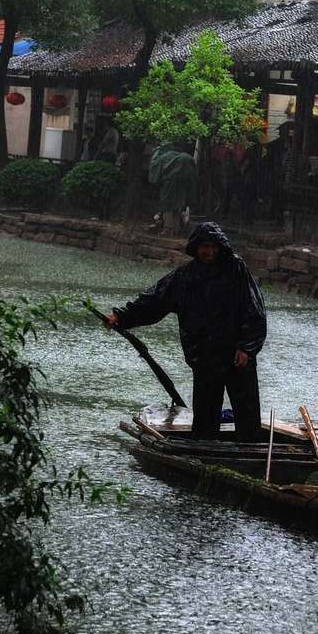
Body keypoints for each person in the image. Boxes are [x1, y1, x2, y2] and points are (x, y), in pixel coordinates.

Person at [105, 222, 267, 441]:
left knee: (247, 415)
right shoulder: (185, 277)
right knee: (205, 418)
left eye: (212, 246)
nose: (208, 252)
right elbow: (154, 301)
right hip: (205, 356)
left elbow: (254, 309)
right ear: (196, 248)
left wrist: (247, 347)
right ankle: (203, 453)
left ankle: (250, 452)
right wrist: (122, 317)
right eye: (203, 247)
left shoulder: (235, 270)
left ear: (219, 247)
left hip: (237, 356)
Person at [149, 142, 198, 234]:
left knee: (168, 207)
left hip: (169, 187)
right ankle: (176, 228)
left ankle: (168, 229)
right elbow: (193, 176)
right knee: (179, 207)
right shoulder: (187, 158)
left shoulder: (165, 156)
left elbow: (154, 170)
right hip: (183, 187)